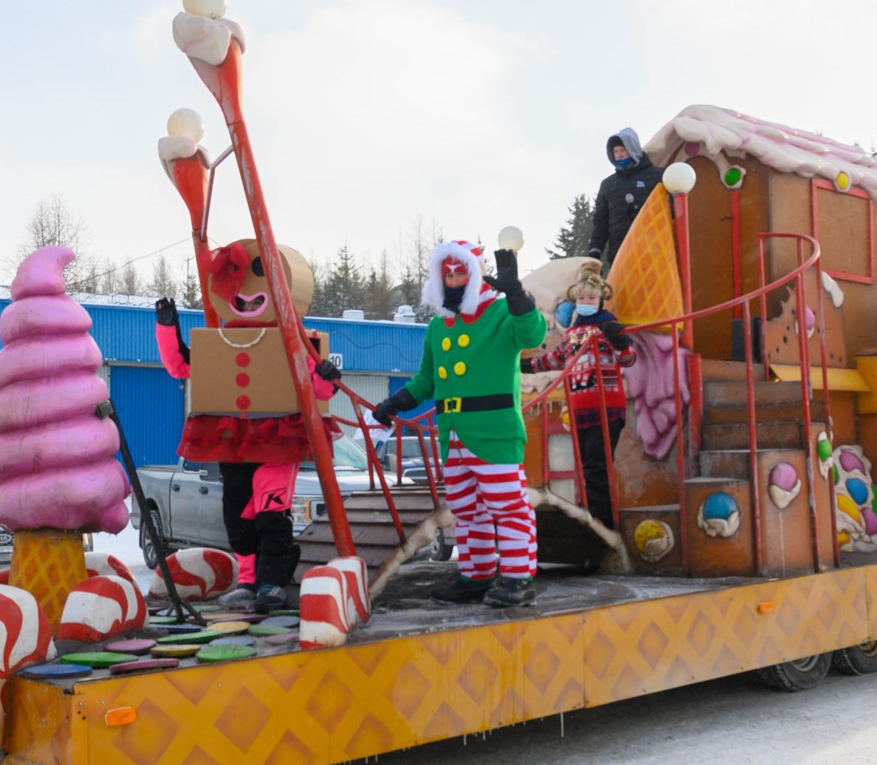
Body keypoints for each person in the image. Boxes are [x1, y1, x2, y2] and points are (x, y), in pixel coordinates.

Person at [373, 237, 547, 607]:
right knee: (467, 511)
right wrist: (395, 402)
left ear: (475, 273)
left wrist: (516, 294)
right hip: (453, 433)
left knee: (508, 506)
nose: (453, 279)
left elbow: (533, 335)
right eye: (446, 273)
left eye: (459, 272)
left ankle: (517, 578)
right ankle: (476, 576)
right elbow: (426, 380)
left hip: (494, 430)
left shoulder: (500, 313)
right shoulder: (439, 328)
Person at [155, 294, 342, 613]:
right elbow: (180, 365)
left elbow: (318, 386)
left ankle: (274, 582)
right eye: (239, 301)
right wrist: (167, 326)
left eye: (252, 300)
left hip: (277, 441)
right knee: (237, 515)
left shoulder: (291, 339)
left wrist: (328, 379)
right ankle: (249, 581)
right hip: (235, 440)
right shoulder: (222, 343)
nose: (245, 303)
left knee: (271, 512)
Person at [521, 263, 635, 530]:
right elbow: (551, 361)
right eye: (582, 298)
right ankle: (595, 517)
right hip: (580, 408)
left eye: (591, 298)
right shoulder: (572, 334)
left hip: (606, 405)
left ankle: (603, 520)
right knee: (586, 464)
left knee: (598, 463)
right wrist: (521, 366)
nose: (586, 302)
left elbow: (628, 359)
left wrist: (620, 343)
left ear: (600, 300)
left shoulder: (608, 326)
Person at [587, 127, 665, 266]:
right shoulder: (608, 185)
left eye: (623, 150)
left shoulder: (658, 176)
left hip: (653, 250)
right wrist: (595, 251)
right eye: (615, 151)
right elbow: (601, 221)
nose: (619, 155)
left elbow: (671, 211)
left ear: (633, 149)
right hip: (620, 254)